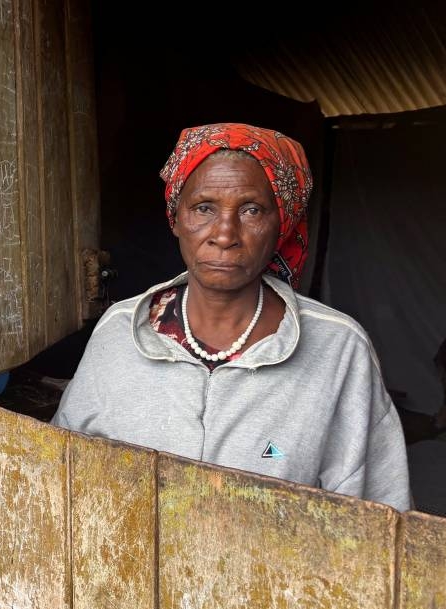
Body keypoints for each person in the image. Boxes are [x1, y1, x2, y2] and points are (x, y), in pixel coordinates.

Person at [52, 123, 411, 512]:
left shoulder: (338, 348)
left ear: (282, 225)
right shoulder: (121, 331)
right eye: (204, 208)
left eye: (251, 210)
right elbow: (61, 476)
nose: (224, 234)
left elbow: (380, 518)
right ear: (176, 218)